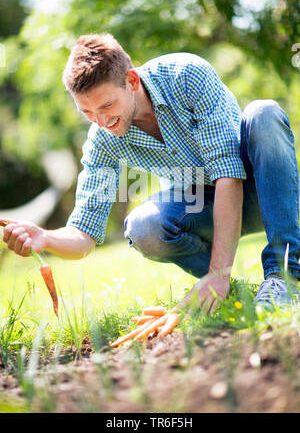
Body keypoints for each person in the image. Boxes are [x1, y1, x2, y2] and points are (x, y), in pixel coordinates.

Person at [2, 33, 300, 311]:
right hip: (203, 205)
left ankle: (282, 276)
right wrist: (45, 237)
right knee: (144, 227)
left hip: (264, 188)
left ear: (131, 80)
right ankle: (228, 291)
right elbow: (83, 233)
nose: (101, 121)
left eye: (107, 105)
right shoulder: (102, 140)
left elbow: (228, 173)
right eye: (88, 113)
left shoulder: (186, 75)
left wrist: (218, 271)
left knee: (263, 113)